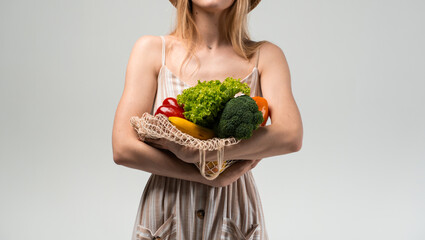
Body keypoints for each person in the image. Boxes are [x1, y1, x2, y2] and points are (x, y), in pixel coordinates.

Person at [112, 0, 303, 239]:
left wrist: (205, 153)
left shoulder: (265, 56)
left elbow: (291, 135)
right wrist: (207, 175)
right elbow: (123, 147)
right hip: (168, 208)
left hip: (233, 208)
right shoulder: (151, 50)